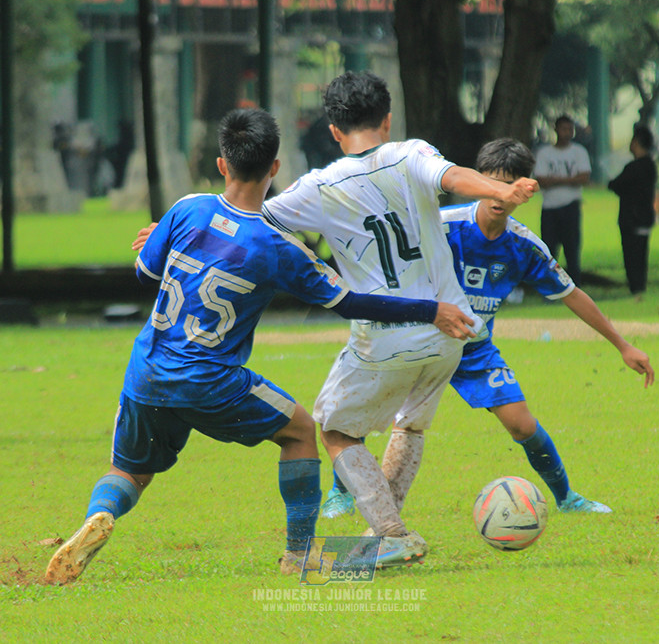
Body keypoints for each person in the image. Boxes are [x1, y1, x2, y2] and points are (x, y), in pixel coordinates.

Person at [43, 108, 477, 585]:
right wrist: (429, 310)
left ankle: (98, 516)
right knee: (300, 432)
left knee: (129, 471)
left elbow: (145, 271)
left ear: (222, 164)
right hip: (209, 379)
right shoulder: (277, 247)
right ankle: (300, 555)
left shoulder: (188, 208)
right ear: (274, 168)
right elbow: (349, 302)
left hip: (147, 369)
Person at [261, 71, 538, 567]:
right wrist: (502, 193)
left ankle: (390, 532)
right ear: (387, 120)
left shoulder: (319, 186)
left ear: (333, 130)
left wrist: (183, 226)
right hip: (451, 330)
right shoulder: (411, 153)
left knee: (337, 433)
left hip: (384, 337)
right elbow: (455, 178)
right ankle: (382, 532)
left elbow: (252, 222)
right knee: (408, 427)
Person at [321, 138, 655, 519]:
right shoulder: (443, 226)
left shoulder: (523, 246)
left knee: (521, 424)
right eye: (492, 181)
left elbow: (572, 295)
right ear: (478, 180)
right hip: (418, 336)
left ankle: (566, 498)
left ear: (526, 188)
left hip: (474, 348)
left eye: (510, 184)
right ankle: (339, 492)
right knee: (370, 406)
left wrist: (623, 345)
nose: (500, 194)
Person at [533, 115, 591, 287]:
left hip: (571, 206)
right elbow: (541, 180)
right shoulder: (545, 153)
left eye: (570, 129)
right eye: (564, 129)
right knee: (549, 250)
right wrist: (569, 180)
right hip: (550, 208)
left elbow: (584, 177)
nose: (567, 133)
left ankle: (574, 287)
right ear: (556, 130)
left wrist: (555, 181)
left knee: (572, 249)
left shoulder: (579, 152)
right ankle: (550, 287)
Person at [608, 126, 658, 298]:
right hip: (645, 216)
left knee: (631, 254)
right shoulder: (651, 166)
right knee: (642, 254)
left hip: (631, 217)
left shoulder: (633, 167)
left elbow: (616, 185)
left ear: (636, 143)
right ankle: (640, 285)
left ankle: (635, 287)